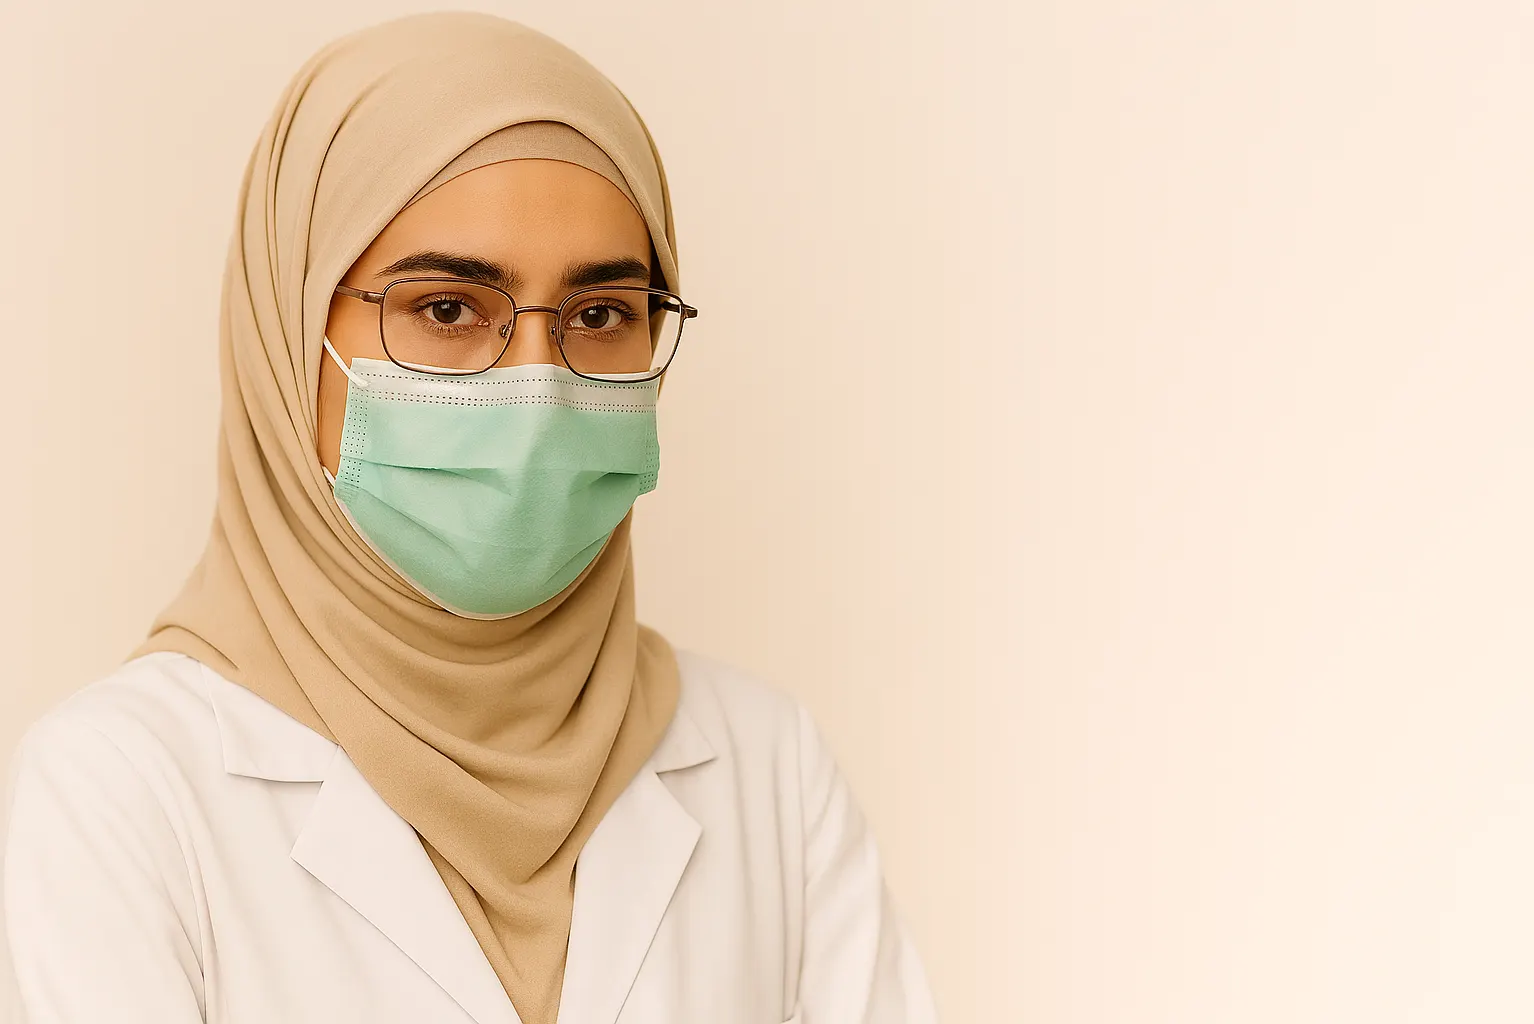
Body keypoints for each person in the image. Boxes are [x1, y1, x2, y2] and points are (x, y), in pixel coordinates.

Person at [0, 11, 939, 1024]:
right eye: (447, 308)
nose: (538, 392)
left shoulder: (770, 769)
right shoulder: (123, 791)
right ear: (289, 333)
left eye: (601, 315)